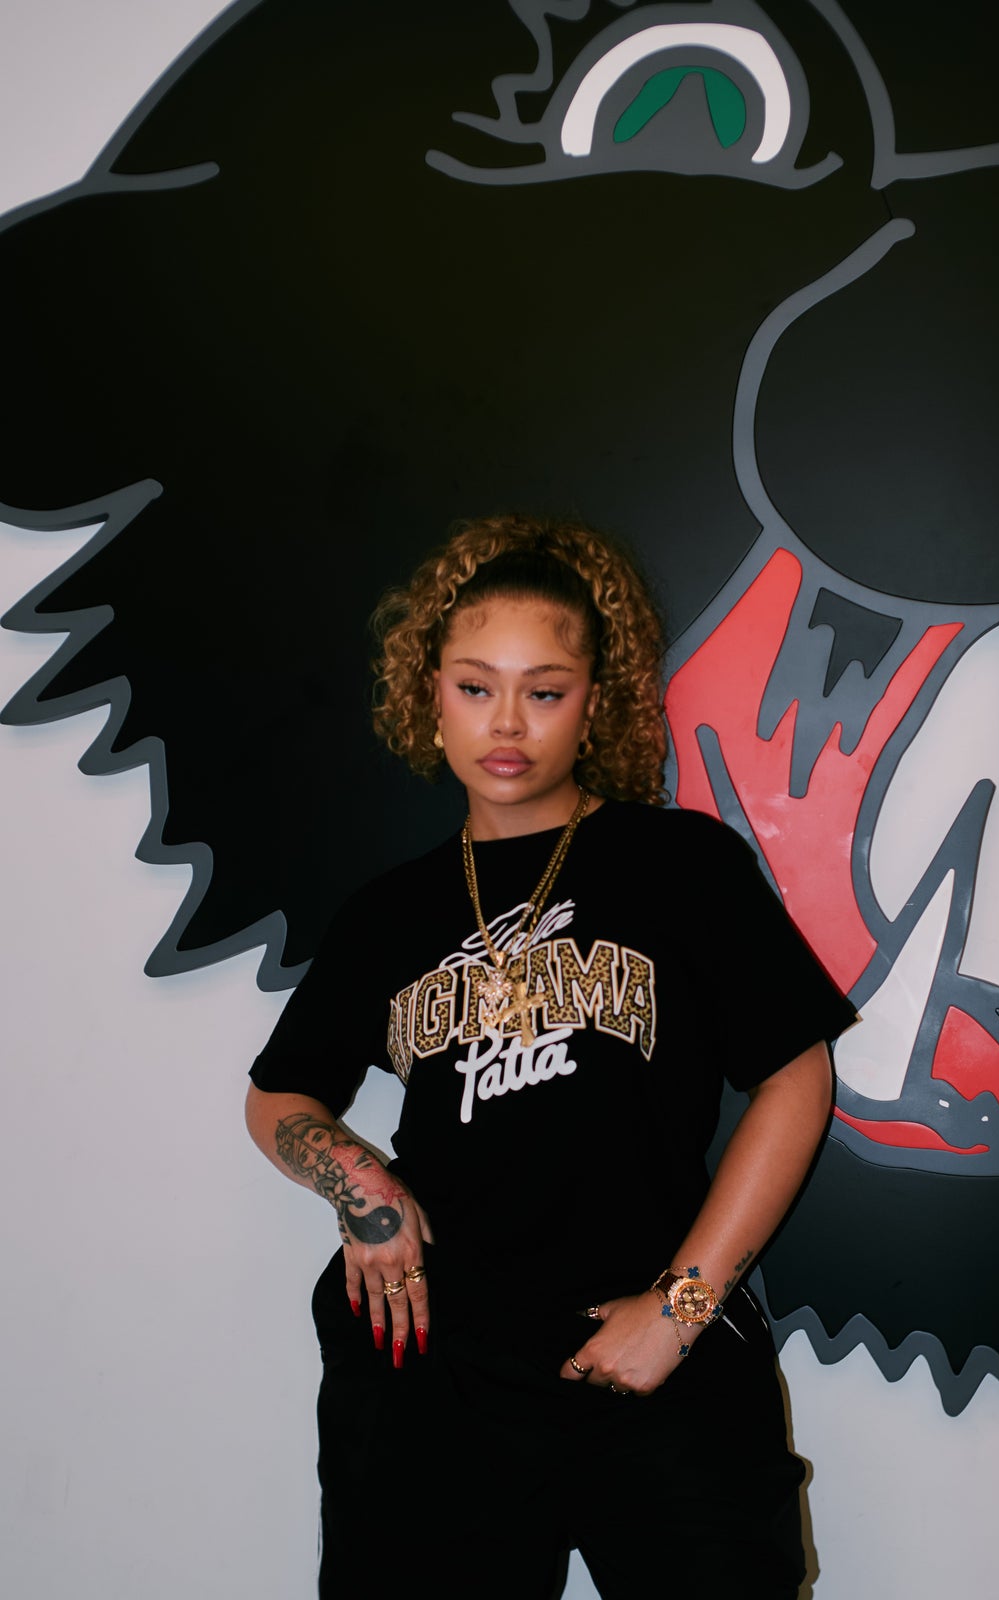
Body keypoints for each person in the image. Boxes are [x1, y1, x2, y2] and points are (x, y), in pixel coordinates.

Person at [245, 513, 857, 1598]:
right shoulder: (388, 915)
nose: (507, 722)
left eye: (545, 689)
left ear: (595, 701)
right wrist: (359, 1184)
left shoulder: (681, 866)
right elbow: (279, 1092)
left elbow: (794, 1074)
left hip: (653, 1346)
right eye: (476, 686)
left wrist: (679, 1312)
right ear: (430, 694)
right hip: (434, 1365)